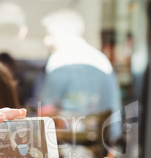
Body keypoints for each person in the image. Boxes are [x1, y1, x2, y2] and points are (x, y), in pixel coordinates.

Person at [40, 9, 122, 143]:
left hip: (69, 144)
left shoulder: (59, 60)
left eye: (50, 34)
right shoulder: (101, 59)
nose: (46, 41)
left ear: (64, 32)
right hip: (99, 143)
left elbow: (46, 110)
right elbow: (114, 109)